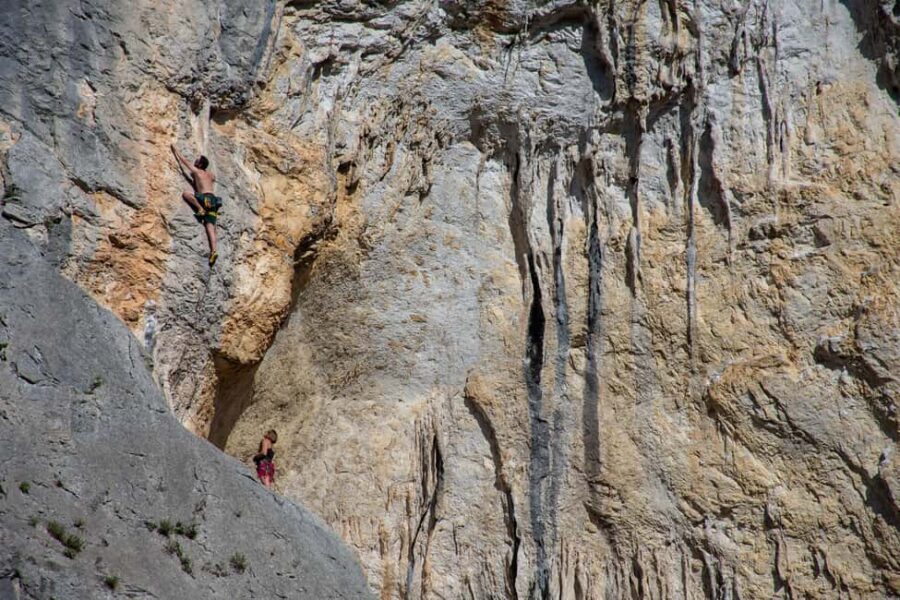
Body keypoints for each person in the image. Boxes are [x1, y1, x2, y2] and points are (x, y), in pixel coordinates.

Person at [171, 144, 221, 266]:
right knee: (210, 227)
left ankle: (200, 209)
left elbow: (183, 161)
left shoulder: (197, 171)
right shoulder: (210, 175)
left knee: (186, 194)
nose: (195, 162)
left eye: (197, 161)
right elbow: (213, 178)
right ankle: (214, 251)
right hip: (213, 200)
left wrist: (175, 149)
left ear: (199, 165)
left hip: (204, 198)